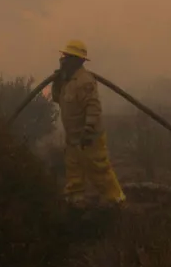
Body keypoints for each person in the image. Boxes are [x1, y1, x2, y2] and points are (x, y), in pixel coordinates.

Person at [50, 39, 126, 208]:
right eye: (63, 56)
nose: (63, 59)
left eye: (67, 56)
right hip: (73, 137)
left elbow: (93, 108)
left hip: (89, 137)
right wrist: (57, 81)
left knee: (100, 169)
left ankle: (117, 200)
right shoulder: (66, 81)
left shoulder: (85, 81)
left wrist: (88, 130)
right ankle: (74, 201)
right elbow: (57, 99)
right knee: (73, 169)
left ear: (77, 60)